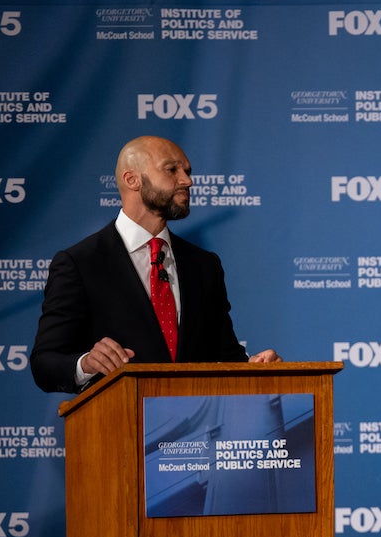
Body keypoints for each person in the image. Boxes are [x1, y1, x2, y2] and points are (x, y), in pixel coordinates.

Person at [30, 135, 279, 394]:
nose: (187, 181)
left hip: (196, 427)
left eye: (187, 171)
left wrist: (255, 366)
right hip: (118, 425)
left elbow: (225, 355)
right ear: (132, 180)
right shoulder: (80, 263)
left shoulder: (204, 265)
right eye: (172, 170)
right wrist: (86, 364)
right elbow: (45, 362)